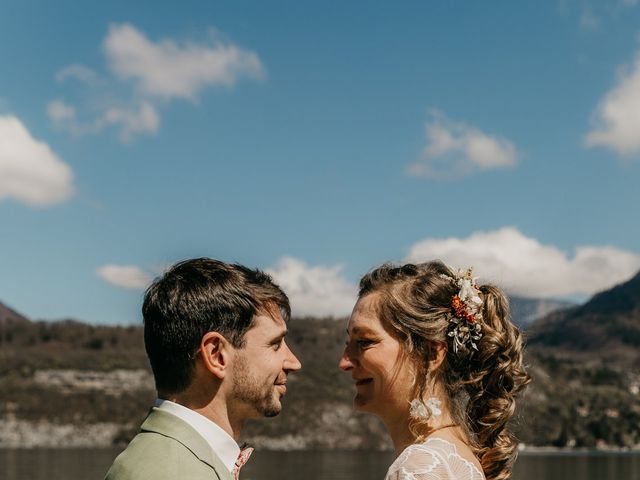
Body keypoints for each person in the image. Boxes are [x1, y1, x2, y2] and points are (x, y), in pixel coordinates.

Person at [105, 258, 302, 480]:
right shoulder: (166, 473)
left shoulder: (178, 463)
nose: (294, 362)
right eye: (275, 344)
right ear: (216, 355)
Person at [339, 261, 530, 480]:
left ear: (430, 354)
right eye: (348, 343)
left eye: (364, 341)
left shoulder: (420, 467)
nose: (344, 362)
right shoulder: (455, 455)